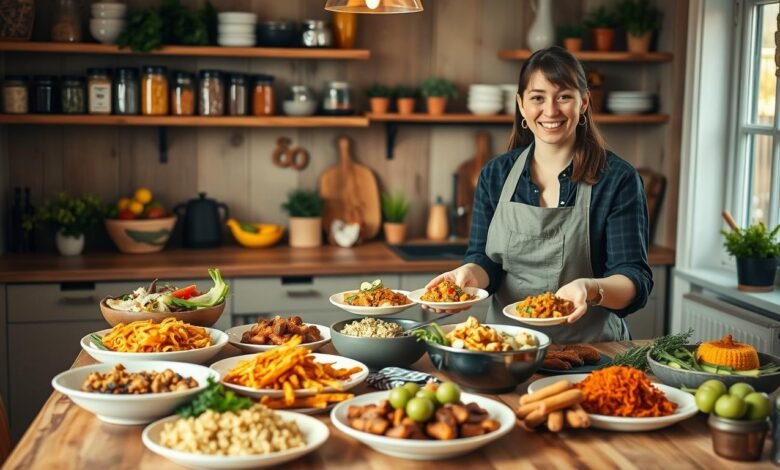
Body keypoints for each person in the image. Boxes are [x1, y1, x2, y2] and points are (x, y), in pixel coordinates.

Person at [424, 46, 653, 344]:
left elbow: (634, 278)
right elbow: (487, 262)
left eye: (564, 96)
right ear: (521, 105)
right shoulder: (496, 175)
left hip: (593, 349)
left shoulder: (617, 179)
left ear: (584, 102)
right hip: (504, 346)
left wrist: (590, 289)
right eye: (537, 98)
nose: (551, 110)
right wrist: (469, 273)